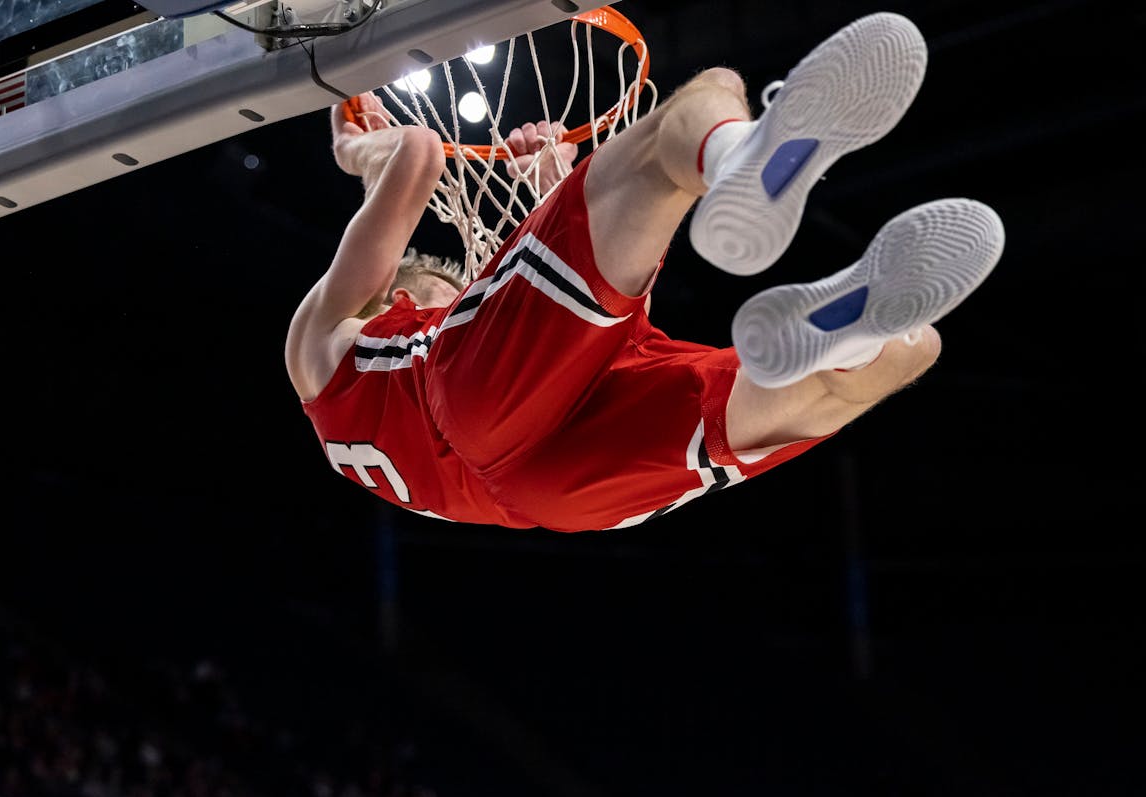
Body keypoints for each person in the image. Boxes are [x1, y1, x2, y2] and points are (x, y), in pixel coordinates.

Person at [285, 12, 1006, 532]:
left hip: (555, 496)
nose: (475, 290)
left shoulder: (349, 370)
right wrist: (358, 151)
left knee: (909, 348)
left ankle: (836, 344)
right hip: (497, 414)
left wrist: (546, 205)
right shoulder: (334, 343)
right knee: (701, 101)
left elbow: (567, 342)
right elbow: (418, 153)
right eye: (463, 293)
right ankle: (737, 156)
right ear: (405, 295)